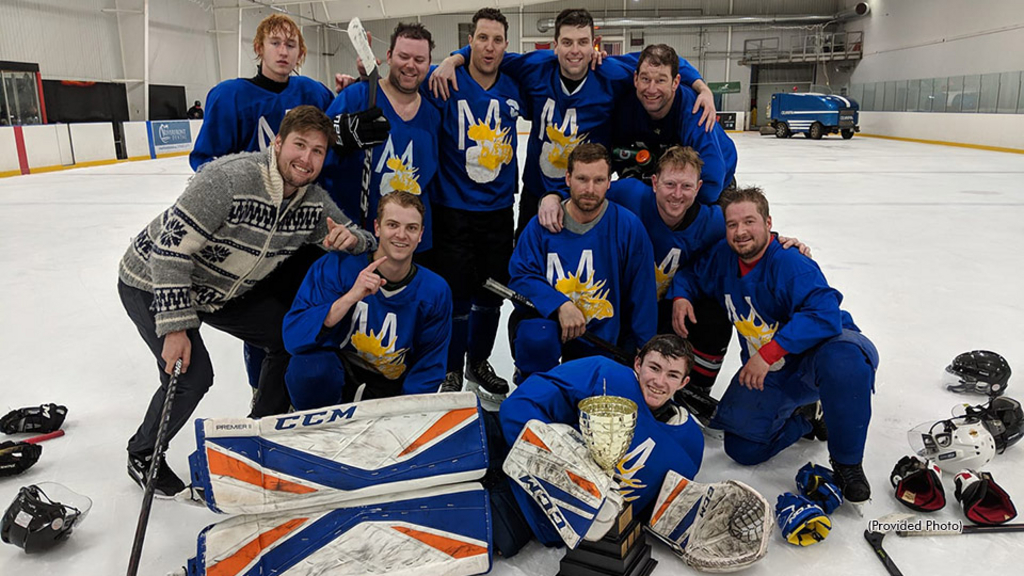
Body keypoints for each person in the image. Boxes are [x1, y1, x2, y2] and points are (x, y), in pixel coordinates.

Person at [118, 106, 376, 498]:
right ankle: (143, 451)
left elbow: (358, 235)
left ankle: (259, 430)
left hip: (218, 291)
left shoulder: (312, 203)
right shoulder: (228, 179)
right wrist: (175, 327)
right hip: (151, 280)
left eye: (318, 151)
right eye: (299, 145)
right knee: (191, 375)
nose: (306, 159)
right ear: (277, 143)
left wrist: (352, 240)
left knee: (287, 336)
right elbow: (169, 251)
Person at [188, 13, 387, 393]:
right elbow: (206, 163)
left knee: (306, 306)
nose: (283, 51)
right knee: (264, 319)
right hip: (256, 232)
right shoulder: (230, 95)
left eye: (291, 44)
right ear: (259, 48)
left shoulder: (313, 93)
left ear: (301, 53)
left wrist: (358, 86)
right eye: (275, 43)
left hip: (302, 224)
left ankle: (302, 387)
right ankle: (263, 393)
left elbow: (336, 141)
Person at [668, 186, 879, 502]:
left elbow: (825, 314)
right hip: (774, 372)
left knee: (844, 364)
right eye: (732, 224)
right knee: (742, 448)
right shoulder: (723, 258)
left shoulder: (790, 262)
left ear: (768, 223)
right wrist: (681, 297)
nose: (741, 232)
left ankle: (848, 463)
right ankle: (807, 415)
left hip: (819, 356)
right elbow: (692, 275)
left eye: (749, 222)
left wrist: (768, 353)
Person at [430, 9, 717, 240]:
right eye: (566, 42)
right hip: (537, 192)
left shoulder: (610, 71)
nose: (574, 50)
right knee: (530, 269)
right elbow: (488, 53)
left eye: (582, 42)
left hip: (586, 192)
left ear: (594, 46)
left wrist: (702, 87)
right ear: (554, 46)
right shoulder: (535, 66)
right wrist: (454, 58)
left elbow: (668, 60)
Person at [493, 334, 704, 557]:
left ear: (684, 382)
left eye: (672, 375)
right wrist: (560, 467)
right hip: (515, 477)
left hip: (536, 520)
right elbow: (519, 406)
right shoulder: (602, 374)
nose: (659, 382)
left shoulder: (690, 445)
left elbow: (657, 512)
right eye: (654, 368)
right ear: (637, 363)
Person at [419, 8, 523, 399]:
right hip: (453, 210)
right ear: (471, 40)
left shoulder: (514, 85)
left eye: (497, 40)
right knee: (456, 296)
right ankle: (450, 368)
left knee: (491, 295)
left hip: (497, 211)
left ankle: (477, 362)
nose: (490, 46)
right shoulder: (446, 80)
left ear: (506, 45)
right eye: (482, 38)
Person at [282, 191, 452, 408]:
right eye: (392, 225)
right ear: (377, 228)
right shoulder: (337, 266)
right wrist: (351, 296)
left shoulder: (435, 291)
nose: (401, 235)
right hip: (339, 375)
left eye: (411, 228)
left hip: (390, 386)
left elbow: (429, 365)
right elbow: (293, 337)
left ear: (420, 234)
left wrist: (406, 413)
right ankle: (312, 420)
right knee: (309, 369)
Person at [508, 143, 656, 381]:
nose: (590, 189)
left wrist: (644, 348)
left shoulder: (628, 227)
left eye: (599, 180)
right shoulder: (543, 225)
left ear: (609, 182)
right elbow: (520, 275)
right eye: (582, 179)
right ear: (568, 179)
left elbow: (642, 293)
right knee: (537, 336)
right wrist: (560, 305)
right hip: (550, 326)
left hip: (603, 337)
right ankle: (531, 383)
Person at [322, 23, 439, 252]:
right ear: (388, 56)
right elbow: (318, 142)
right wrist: (339, 136)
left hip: (410, 245)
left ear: (428, 64)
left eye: (419, 59)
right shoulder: (358, 96)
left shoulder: (433, 115)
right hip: (355, 239)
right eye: (403, 56)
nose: (410, 65)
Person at [612, 44, 738, 205]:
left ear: (675, 82)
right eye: (645, 79)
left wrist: (681, 216)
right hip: (661, 177)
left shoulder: (694, 110)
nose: (651, 89)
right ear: (635, 78)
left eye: (661, 81)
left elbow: (712, 177)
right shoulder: (625, 107)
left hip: (715, 186)